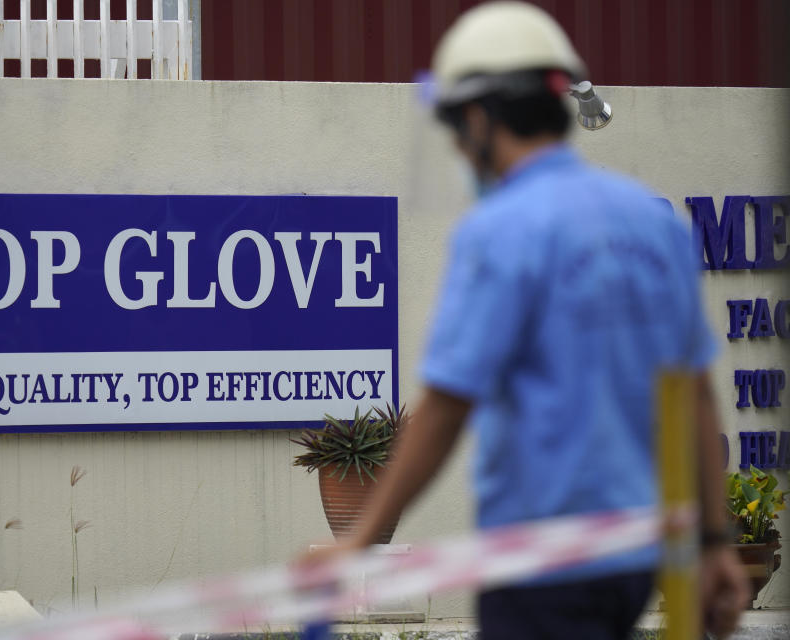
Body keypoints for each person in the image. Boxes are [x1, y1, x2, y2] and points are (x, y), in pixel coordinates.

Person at [303, 2, 750, 639]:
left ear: (481, 118)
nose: (459, 149)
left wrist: (362, 542)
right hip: (636, 558)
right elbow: (697, 393)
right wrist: (714, 542)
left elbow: (447, 406)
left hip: (538, 565)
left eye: (458, 131)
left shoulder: (500, 230)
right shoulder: (652, 223)